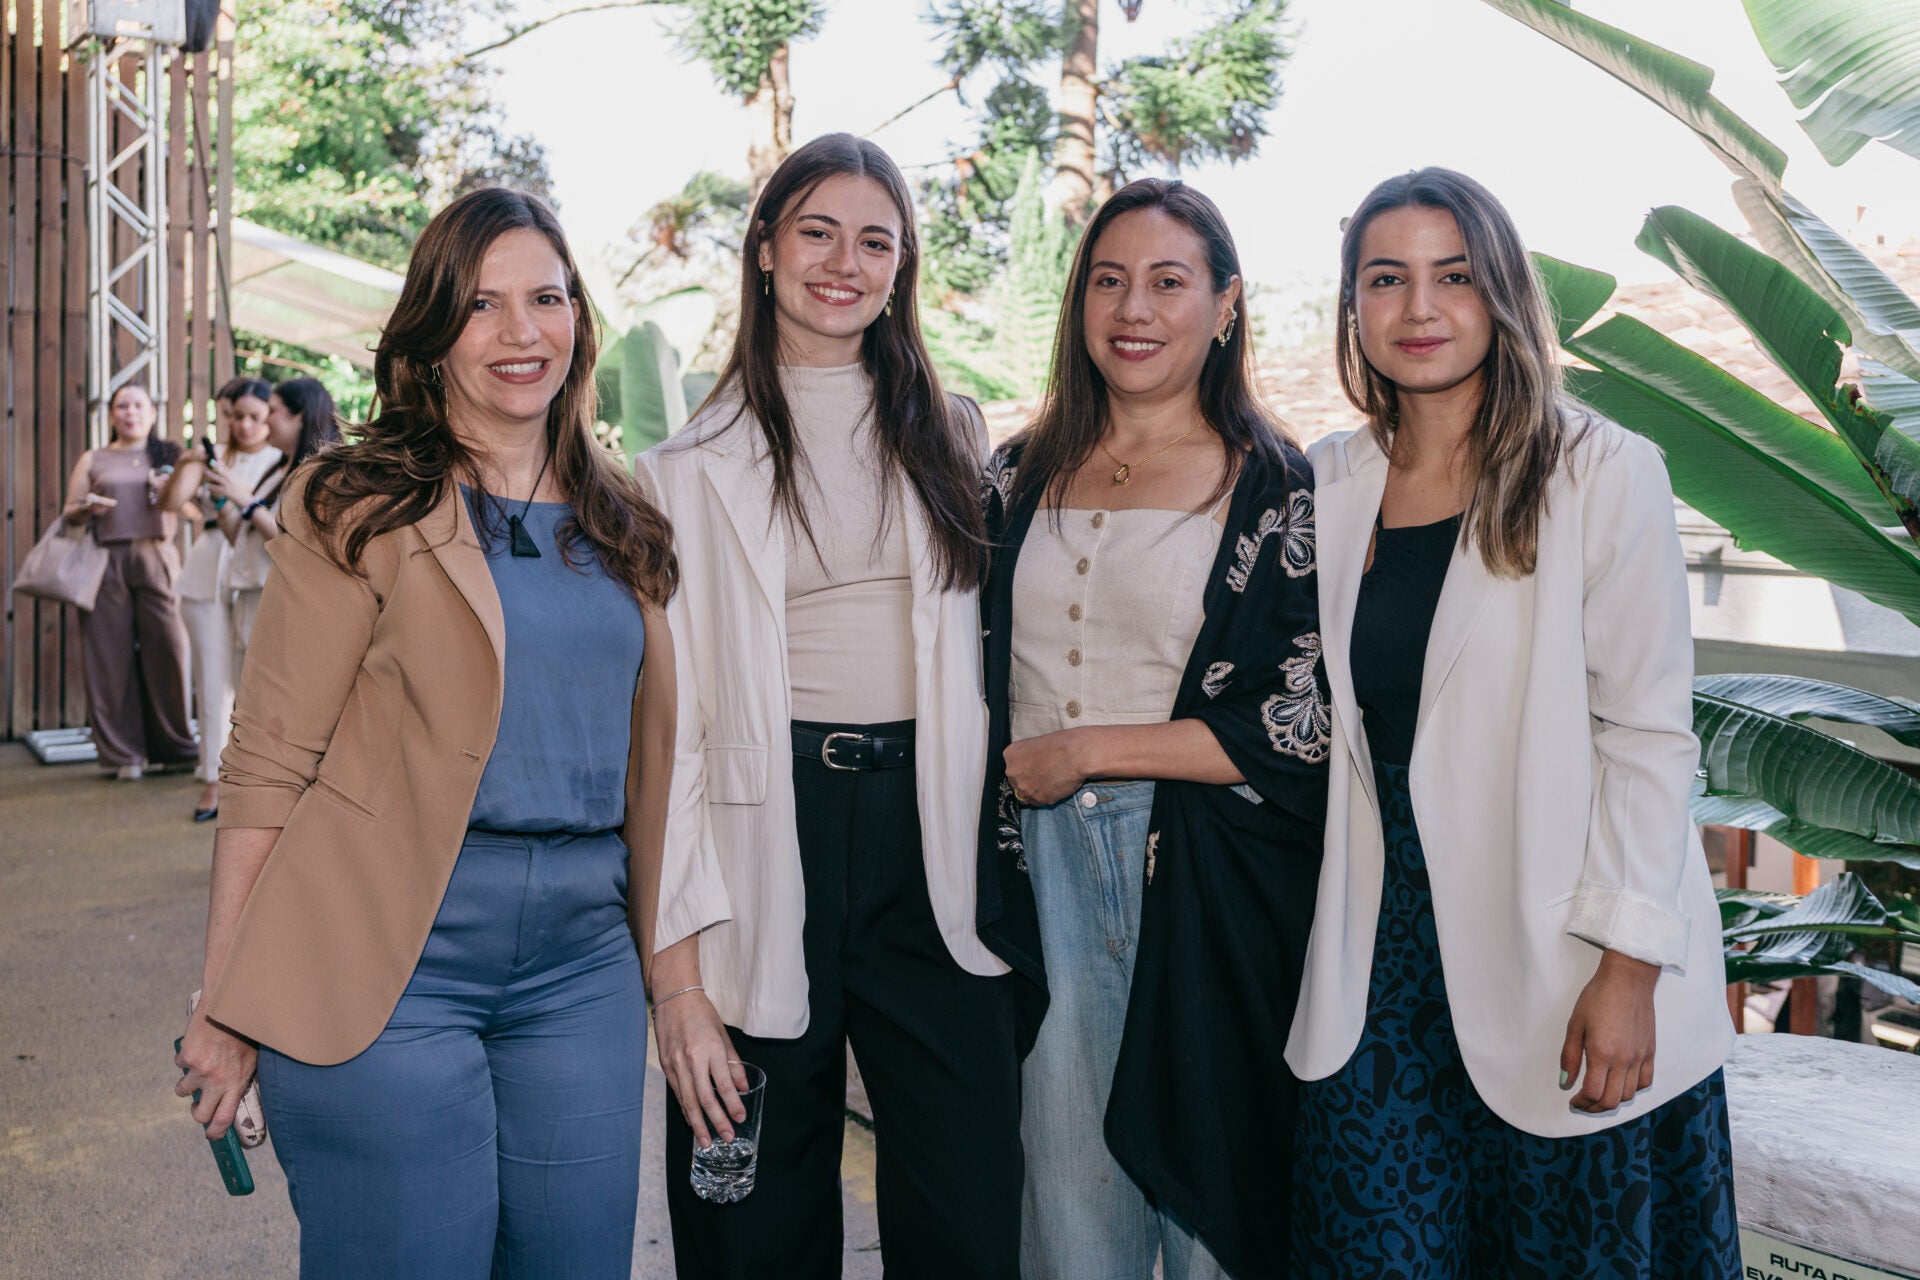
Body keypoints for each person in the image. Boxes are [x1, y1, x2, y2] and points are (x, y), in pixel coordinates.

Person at [173, 186, 679, 1278]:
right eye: (482, 304)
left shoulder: (624, 520)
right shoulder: (355, 501)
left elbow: (659, 772)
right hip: (389, 953)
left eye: (545, 299)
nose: (518, 332)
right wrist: (224, 998)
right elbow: (267, 766)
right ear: (432, 332)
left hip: (584, 966)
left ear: (577, 321)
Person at [1287, 167, 1739, 1277]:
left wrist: (1628, 966)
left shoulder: (1603, 470)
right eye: (1385, 279)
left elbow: (1647, 733)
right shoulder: (1325, 481)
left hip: (1564, 949)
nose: (1419, 308)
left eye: (1454, 276)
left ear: (1501, 293)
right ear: (1354, 306)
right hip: (1377, 958)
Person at [637, 132, 1019, 1280]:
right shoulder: (682, 468)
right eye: (816, 232)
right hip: (771, 834)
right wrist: (680, 978)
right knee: (750, 1207)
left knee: (966, 1200)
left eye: (876, 241)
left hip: (932, 839)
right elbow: (672, 746)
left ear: (901, 268)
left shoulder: (953, 436)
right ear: (763, 251)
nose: (843, 262)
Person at [979, 178, 1328, 1280]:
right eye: (1109, 279)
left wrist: (1086, 749)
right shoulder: (1010, 476)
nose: (1134, 307)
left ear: (1225, 304)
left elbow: (1297, 722)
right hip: (1036, 877)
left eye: (1169, 281)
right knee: (1068, 1193)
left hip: (1203, 873)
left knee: (1208, 1188)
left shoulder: (1278, 489)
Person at [60, 382, 197, 781]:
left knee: (169, 650)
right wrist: (85, 509)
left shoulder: (171, 454)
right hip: (105, 558)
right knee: (108, 658)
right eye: (122, 406)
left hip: (156, 554)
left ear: (152, 413)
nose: (130, 412)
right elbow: (69, 512)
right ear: (112, 414)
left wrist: (168, 492)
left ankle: (176, 748)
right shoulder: (94, 457)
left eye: (138, 405)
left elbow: (192, 510)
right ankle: (124, 756)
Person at [162, 377, 282, 820]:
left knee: (252, 679)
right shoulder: (213, 457)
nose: (244, 425)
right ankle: (212, 777)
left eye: (255, 416)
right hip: (209, 567)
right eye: (235, 415)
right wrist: (187, 464)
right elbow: (171, 503)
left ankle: (251, 775)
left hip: (255, 572)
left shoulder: (280, 460)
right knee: (212, 680)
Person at [203, 376, 345, 662]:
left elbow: (294, 542)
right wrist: (223, 501)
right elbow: (243, 540)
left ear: (300, 415)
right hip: (251, 598)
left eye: (273, 409)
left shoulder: (322, 473)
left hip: (283, 603)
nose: (264, 418)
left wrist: (247, 501)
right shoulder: (277, 468)